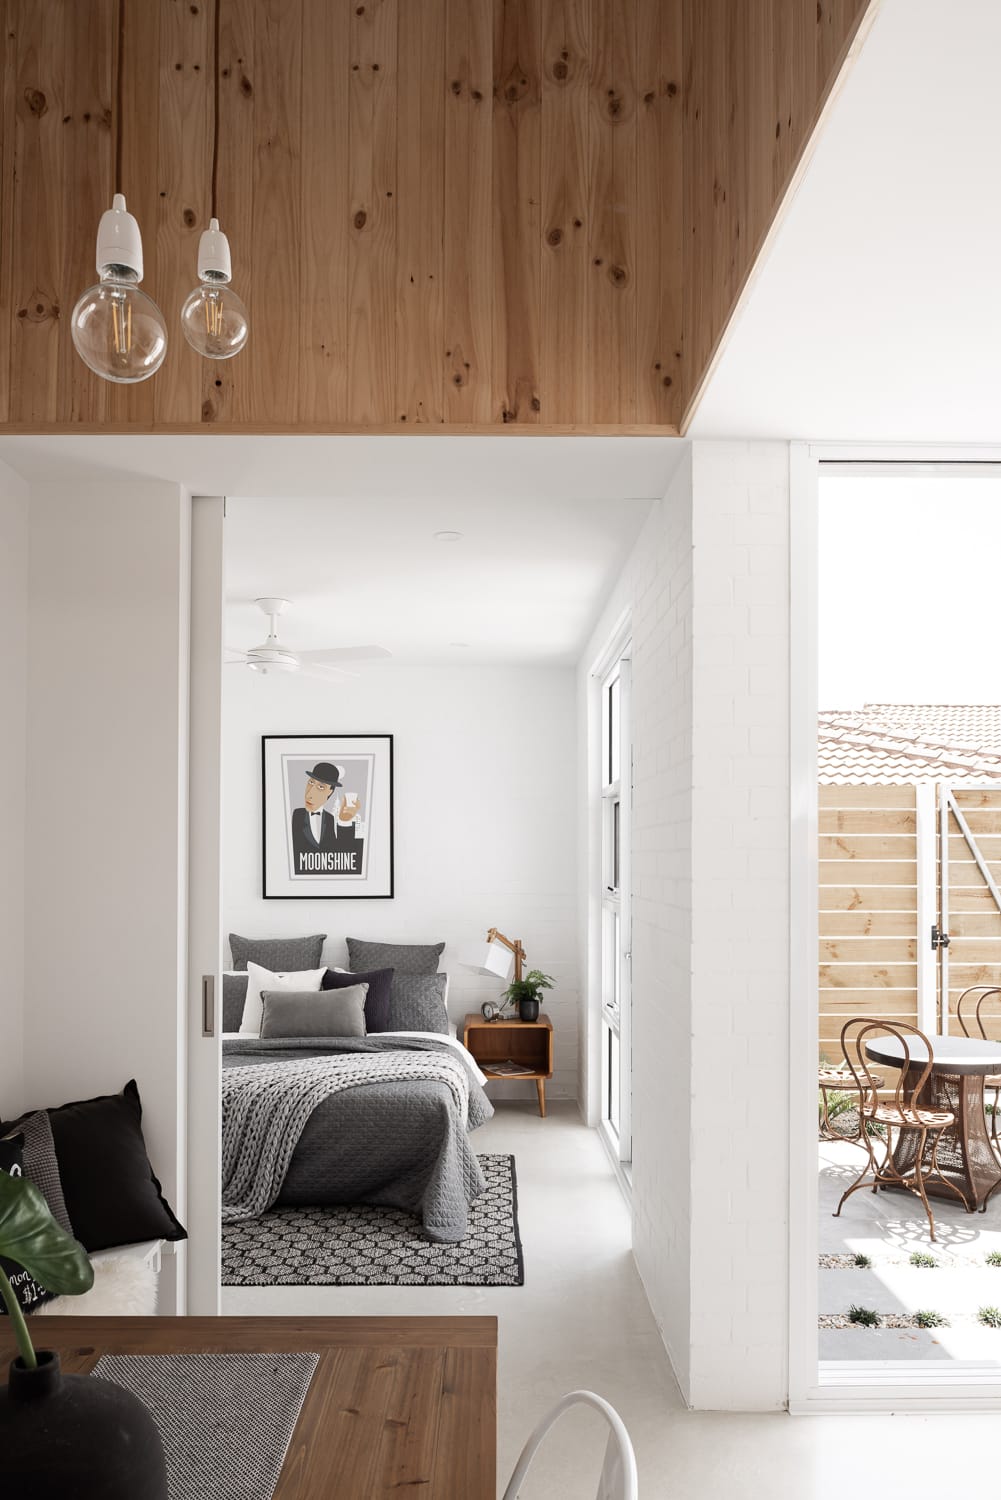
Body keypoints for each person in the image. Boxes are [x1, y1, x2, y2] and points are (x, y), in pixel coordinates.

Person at [290, 762, 365, 875]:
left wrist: (345, 821)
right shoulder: (296, 815)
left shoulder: (330, 819)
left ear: (330, 791)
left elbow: (342, 856)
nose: (309, 794)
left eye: (320, 787)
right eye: (310, 782)